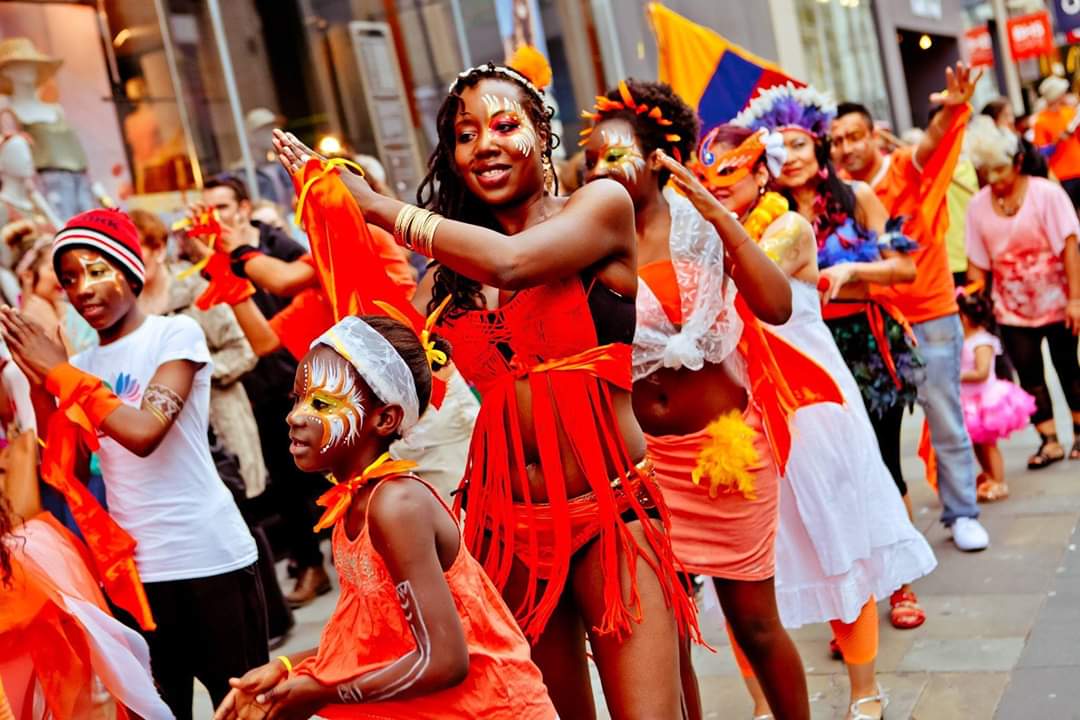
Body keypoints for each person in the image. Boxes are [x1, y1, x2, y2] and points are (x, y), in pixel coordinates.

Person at [273, 48, 698, 719]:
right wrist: (335, 221)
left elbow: (515, 263)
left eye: (503, 126)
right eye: (464, 135)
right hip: (507, 533)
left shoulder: (599, 206)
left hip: (611, 516)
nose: (485, 146)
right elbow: (385, 363)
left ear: (543, 131)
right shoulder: (446, 278)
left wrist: (380, 208)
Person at [580, 79, 822, 720]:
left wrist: (719, 214)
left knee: (756, 625)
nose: (599, 170)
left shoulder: (701, 221)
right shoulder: (580, 239)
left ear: (660, 155)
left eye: (615, 155)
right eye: (591, 160)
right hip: (642, 468)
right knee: (667, 639)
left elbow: (775, 304)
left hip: (726, 459)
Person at [697, 123, 938, 720]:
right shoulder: (694, 238)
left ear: (761, 174)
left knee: (838, 542)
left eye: (732, 171)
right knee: (741, 566)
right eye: (705, 176)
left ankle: (866, 694)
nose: (717, 185)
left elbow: (741, 286)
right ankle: (761, 708)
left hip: (810, 410)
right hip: (735, 417)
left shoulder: (788, 228)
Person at [214, 315, 556, 720]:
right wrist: (289, 669)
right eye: (296, 399)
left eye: (321, 403)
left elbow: (445, 660)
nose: (295, 416)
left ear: (385, 418)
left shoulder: (397, 505)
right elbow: (376, 638)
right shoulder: (351, 504)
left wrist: (321, 693)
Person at [0, 208, 267, 719]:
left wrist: (61, 374)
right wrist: (41, 385)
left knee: (246, 710)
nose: (82, 289)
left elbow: (145, 432)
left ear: (130, 269)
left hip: (209, 558)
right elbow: (68, 473)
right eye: (69, 278)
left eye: (97, 270)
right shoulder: (79, 368)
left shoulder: (175, 335)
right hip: (135, 579)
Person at [739, 84, 933, 633]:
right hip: (795, 356)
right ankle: (847, 603)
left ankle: (898, 583)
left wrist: (852, 272)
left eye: (801, 144)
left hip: (865, 348)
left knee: (878, 467)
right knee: (822, 481)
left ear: (817, 147)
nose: (793, 156)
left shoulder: (855, 198)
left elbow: (905, 269)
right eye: (781, 146)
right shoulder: (760, 217)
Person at [830, 63, 991, 555]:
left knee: (945, 418)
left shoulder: (904, 169)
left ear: (874, 136)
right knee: (873, 431)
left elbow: (932, 145)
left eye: (854, 136)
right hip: (870, 325)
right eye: (836, 141)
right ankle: (889, 525)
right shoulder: (834, 193)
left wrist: (953, 108)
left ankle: (962, 512)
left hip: (929, 314)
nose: (845, 148)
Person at [198, 174, 332, 607]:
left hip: (305, 374)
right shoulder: (208, 259)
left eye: (221, 207)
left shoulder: (280, 248)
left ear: (242, 207)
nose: (214, 216)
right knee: (286, 482)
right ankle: (311, 565)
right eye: (208, 208)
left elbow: (289, 291)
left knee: (327, 471)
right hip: (257, 383)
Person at [964, 116, 1080, 467]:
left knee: (1067, 367)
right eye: (988, 172)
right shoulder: (978, 206)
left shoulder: (1046, 193)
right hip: (1010, 305)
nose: (995, 179)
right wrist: (973, 309)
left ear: (1017, 162)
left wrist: (1076, 299)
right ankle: (1048, 440)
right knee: (1029, 374)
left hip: (1058, 299)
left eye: (1001, 170)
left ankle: (1078, 432)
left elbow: (1070, 247)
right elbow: (977, 263)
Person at [956, 285, 1035, 501]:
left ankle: (999, 480)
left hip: (985, 400)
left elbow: (981, 373)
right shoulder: (964, 341)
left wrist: (957, 375)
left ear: (965, 318)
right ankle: (989, 475)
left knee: (989, 444)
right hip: (969, 400)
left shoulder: (981, 341)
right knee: (977, 443)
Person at [1033, 76, 1080, 207]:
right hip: (1063, 176)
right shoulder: (1041, 121)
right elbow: (1041, 153)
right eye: (1063, 92)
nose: (1066, 94)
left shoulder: (1070, 112)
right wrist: (1057, 141)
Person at [982, 97, 1049, 179]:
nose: (1011, 120)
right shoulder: (989, 151)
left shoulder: (1020, 141)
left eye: (1011, 115)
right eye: (1005, 116)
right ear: (992, 121)